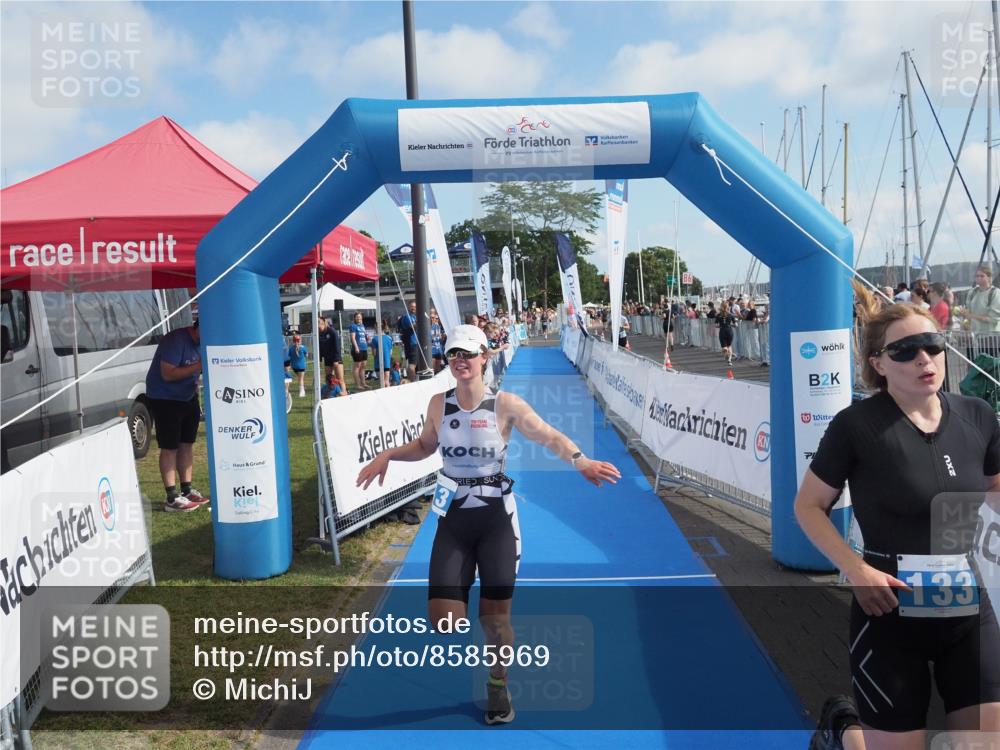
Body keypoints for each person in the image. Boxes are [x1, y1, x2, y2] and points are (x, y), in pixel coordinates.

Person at [356, 324, 621, 725]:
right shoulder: (437, 404)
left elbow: (548, 435)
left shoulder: (505, 404)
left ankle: (498, 682)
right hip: (454, 520)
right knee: (445, 622)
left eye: (469, 353)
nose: (461, 361)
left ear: (485, 356)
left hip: (496, 520)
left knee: (495, 622)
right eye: (454, 354)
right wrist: (388, 456)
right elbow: (427, 446)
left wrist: (580, 459)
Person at [795, 296, 1000, 750]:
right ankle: (842, 730)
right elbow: (808, 507)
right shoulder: (856, 427)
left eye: (932, 344)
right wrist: (856, 569)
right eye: (905, 351)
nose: (923, 358)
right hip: (888, 614)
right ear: (878, 364)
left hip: (968, 612)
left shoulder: (978, 417)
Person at [145, 321, 209, 512]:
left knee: (186, 444)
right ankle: (172, 497)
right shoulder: (176, 339)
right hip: (165, 398)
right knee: (169, 447)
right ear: (199, 327)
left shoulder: (200, 343)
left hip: (187, 397)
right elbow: (168, 374)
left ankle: (187, 490)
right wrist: (199, 364)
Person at [318, 317, 345, 394]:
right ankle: (331, 395)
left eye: (319, 322)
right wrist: (319, 360)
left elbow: (337, 346)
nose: (317, 325)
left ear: (323, 323)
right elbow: (319, 348)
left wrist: (336, 360)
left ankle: (344, 394)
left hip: (336, 359)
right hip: (327, 359)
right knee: (329, 380)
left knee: (340, 380)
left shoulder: (332, 331)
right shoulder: (318, 334)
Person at [397, 301, 419, 382]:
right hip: (412, 343)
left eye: (415, 306)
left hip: (417, 343)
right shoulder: (407, 317)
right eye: (412, 306)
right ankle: (412, 382)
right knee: (412, 364)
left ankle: (415, 380)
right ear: (408, 307)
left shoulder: (415, 316)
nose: (413, 308)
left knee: (416, 364)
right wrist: (421, 321)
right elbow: (412, 327)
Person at [349, 312, 370, 391]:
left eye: (360, 317)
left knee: (363, 366)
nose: (359, 318)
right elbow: (353, 338)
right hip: (358, 348)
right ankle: (358, 384)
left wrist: (367, 339)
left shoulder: (362, 326)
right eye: (357, 317)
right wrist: (356, 347)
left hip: (364, 348)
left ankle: (363, 383)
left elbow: (364, 335)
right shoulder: (353, 326)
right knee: (357, 366)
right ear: (354, 318)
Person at [372, 320, 395, 388]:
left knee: (382, 382)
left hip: (378, 364)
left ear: (376, 327)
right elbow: (391, 353)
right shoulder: (389, 338)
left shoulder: (375, 339)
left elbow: (374, 353)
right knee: (387, 382)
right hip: (387, 363)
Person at [716, 301, 736, 366]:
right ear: (728, 307)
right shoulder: (730, 315)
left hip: (722, 331)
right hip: (729, 331)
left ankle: (725, 353)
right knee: (729, 346)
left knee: (724, 347)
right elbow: (735, 324)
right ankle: (729, 360)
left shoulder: (718, 315)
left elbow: (716, 325)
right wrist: (731, 325)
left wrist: (721, 325)